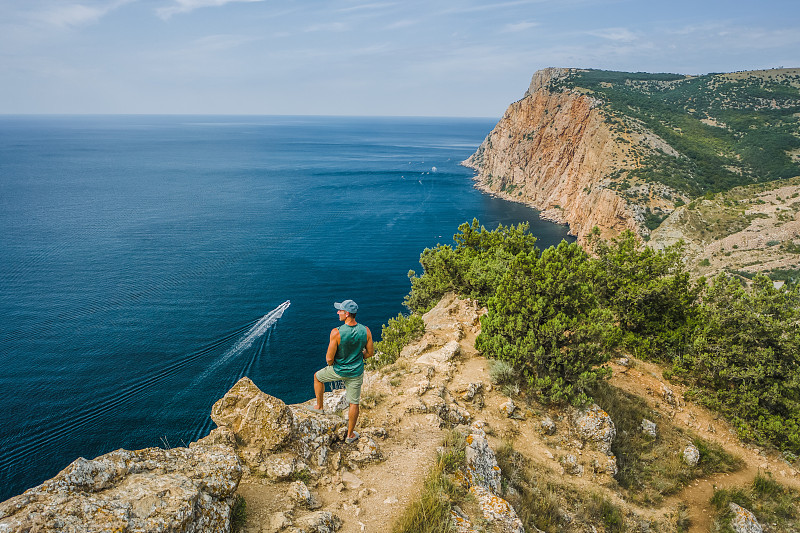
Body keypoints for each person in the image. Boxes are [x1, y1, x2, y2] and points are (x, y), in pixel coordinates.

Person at [311, 299, 373, 444]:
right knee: (354, 403)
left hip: (339, 370)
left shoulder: (336, 332)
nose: (337, 312)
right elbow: (369, 353)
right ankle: (350, 435)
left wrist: (334, 363)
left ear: (346, 314)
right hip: (356, 372)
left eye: (340, 310)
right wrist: (358, 356)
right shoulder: (366, 330)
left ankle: (319, 407)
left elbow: (329, 358)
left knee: (317, 377)